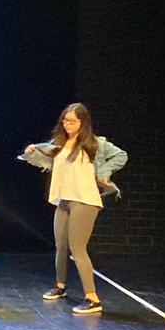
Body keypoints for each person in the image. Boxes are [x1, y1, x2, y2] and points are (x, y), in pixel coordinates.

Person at [20, 102, 128, 316]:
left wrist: (104, 172)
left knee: (78, 249)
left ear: (82, 122)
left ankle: (92, 298)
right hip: (64, 199)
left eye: (72, 121)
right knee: (61, 245)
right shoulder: (59, 143)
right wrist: (32, 152)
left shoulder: (95, 143)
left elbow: (121, 155)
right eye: (65, 120)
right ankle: (60, 286)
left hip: (84, 199)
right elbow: (46, 160)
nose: (67, 124)